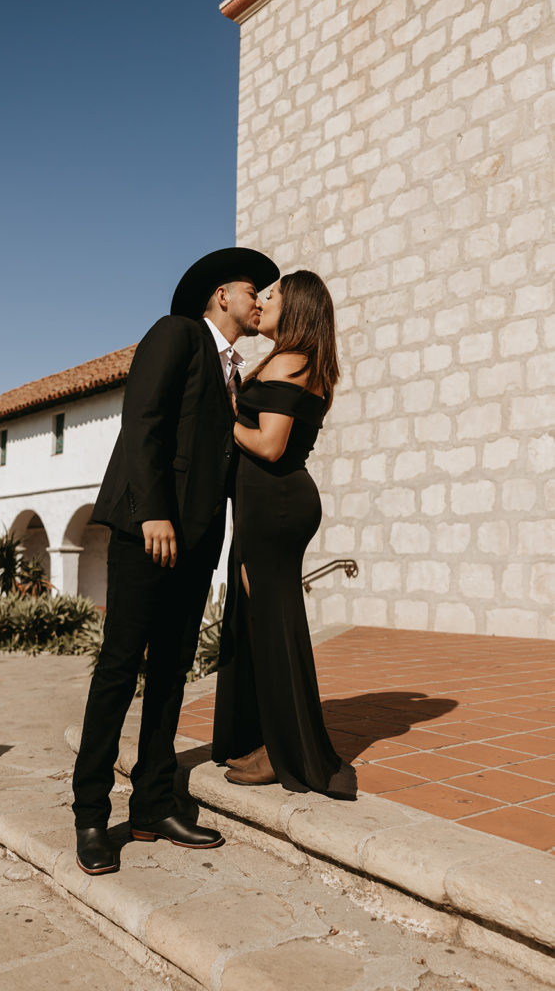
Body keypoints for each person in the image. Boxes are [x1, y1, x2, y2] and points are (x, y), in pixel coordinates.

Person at [72, 246, 279, 874]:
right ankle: (89, 815)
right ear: (221, 294)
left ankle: (153, 803)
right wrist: (155, 510)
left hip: (196, 541)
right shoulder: (177, 334)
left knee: (170, 673)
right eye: (253, 289)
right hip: (148, 529)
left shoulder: (233, 369)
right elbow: (144, 422)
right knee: (118, 668)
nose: (260, 299)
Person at [212, 269, 357, 801]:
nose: (265, 300)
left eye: (273, 295)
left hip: (275, 503)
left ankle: (286, 751)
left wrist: (225, 413)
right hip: (264, 503)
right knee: (262, 625)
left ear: (296, 308)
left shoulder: (295, 360)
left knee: (274, 627)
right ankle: (269, 739)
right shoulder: (290, 359)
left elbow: (270, 445)